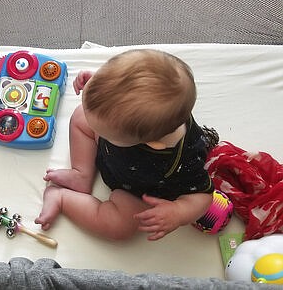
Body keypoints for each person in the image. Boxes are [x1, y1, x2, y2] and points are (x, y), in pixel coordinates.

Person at [35, 49, 215, 241]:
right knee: (82, 116)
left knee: (121, 226)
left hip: (134, 189)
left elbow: (203, 196)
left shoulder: (183, 160)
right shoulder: (144, 114)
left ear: (153, 144)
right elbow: (126, 90)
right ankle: (82, 174)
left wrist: (179, 212)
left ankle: (62, 198)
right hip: (112, 154)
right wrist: (99, 85)